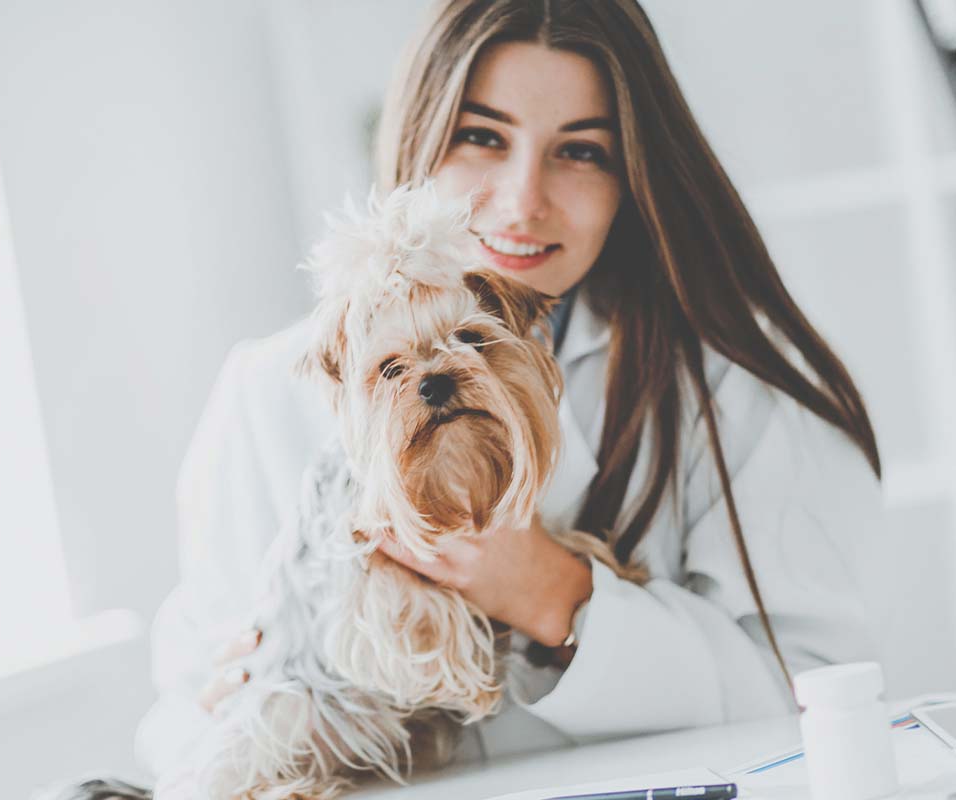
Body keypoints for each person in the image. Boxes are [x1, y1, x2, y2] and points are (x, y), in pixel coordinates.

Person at [135, 0, 885, 796]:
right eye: (483, 136)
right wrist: (242, 713)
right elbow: (184, 708)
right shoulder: (266, 392)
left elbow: (818, 706)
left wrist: (546, 589)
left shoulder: (739, 392)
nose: (523, 199)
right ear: (419, 134)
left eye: (582, 151)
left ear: (634, 176)